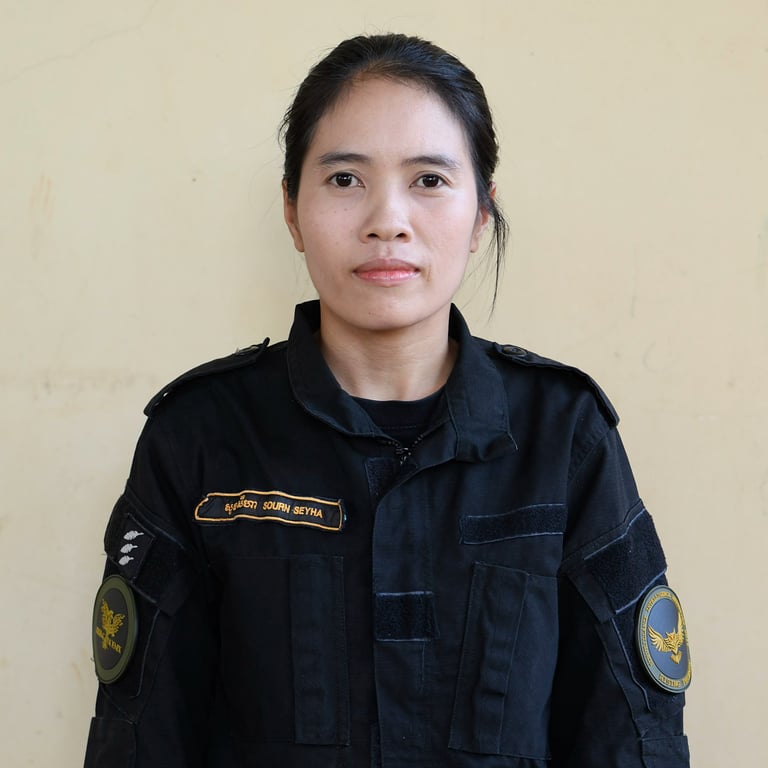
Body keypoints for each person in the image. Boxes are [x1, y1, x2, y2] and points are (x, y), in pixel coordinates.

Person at [84, 33, 691, 767]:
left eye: (429, 180)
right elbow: (140, 740)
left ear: (481, 214)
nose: (387, 220)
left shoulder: (563, 435)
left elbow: (632, 737)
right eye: (345, 179)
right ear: (291, 209)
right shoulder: (201, 436)